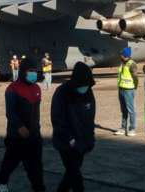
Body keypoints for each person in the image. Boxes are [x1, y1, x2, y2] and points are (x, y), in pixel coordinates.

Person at [0, 58, 45, 192]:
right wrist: (19, 126)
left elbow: (36, 113)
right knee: (10, 162)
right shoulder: (12, 89)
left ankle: (39, 188)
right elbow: (10, 113)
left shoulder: (37, 88)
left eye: (35, 71)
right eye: (30, 71)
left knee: (35, 167)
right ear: (23, 72)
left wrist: (37, 129)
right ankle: (2, 181)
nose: (33, 74)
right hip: (17, 136)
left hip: (34, 135)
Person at [51, 62, 96, 192]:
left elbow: (90, 118)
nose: (85, 87)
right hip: (65, 142)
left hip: (82, 142)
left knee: (71, 174)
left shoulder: (88, 92)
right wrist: (70, 139)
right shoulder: (62, 92)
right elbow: (57, 119)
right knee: (75, 175)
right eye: (83, 84)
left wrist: (90, 138)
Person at [115, 47, 139, 137]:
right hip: (121, 89)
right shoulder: (122, 63)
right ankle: (122, 128)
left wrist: (134, 87)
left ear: (125, 55)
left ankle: (132, 128)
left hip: (128, 90)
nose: (120, 56)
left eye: (121, 54)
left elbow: (135, 77)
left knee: (130, 110)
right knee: (123, 110)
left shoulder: (131, 64)